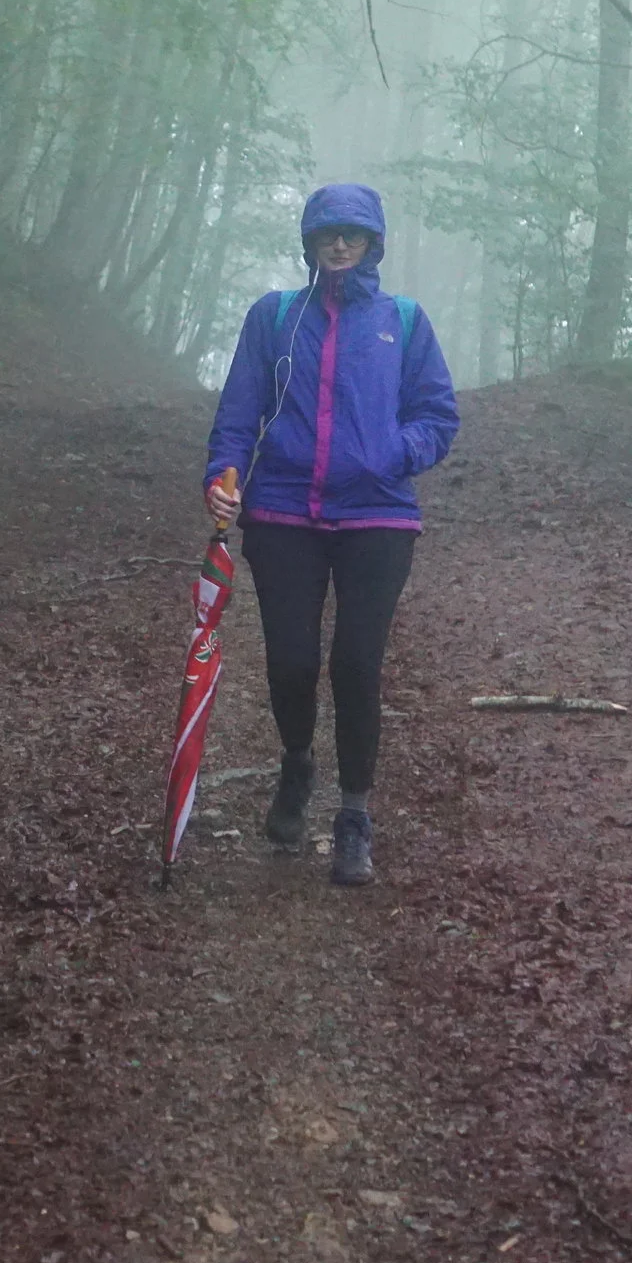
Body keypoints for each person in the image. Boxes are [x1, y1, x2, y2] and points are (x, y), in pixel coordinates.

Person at [202, 183, 458, 885]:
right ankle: (295, 765)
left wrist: (391, 452)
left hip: (378, 517)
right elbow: (237, 413)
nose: (339, 243)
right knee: (289, 660)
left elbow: (438, 415)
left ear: (374, 242)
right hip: (283, 512)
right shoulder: (275, 317)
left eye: (353, 233)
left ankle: (353, 815)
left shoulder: (403, 322)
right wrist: (223, 475)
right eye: (327, 233)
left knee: (355, 663)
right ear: (309, 243)